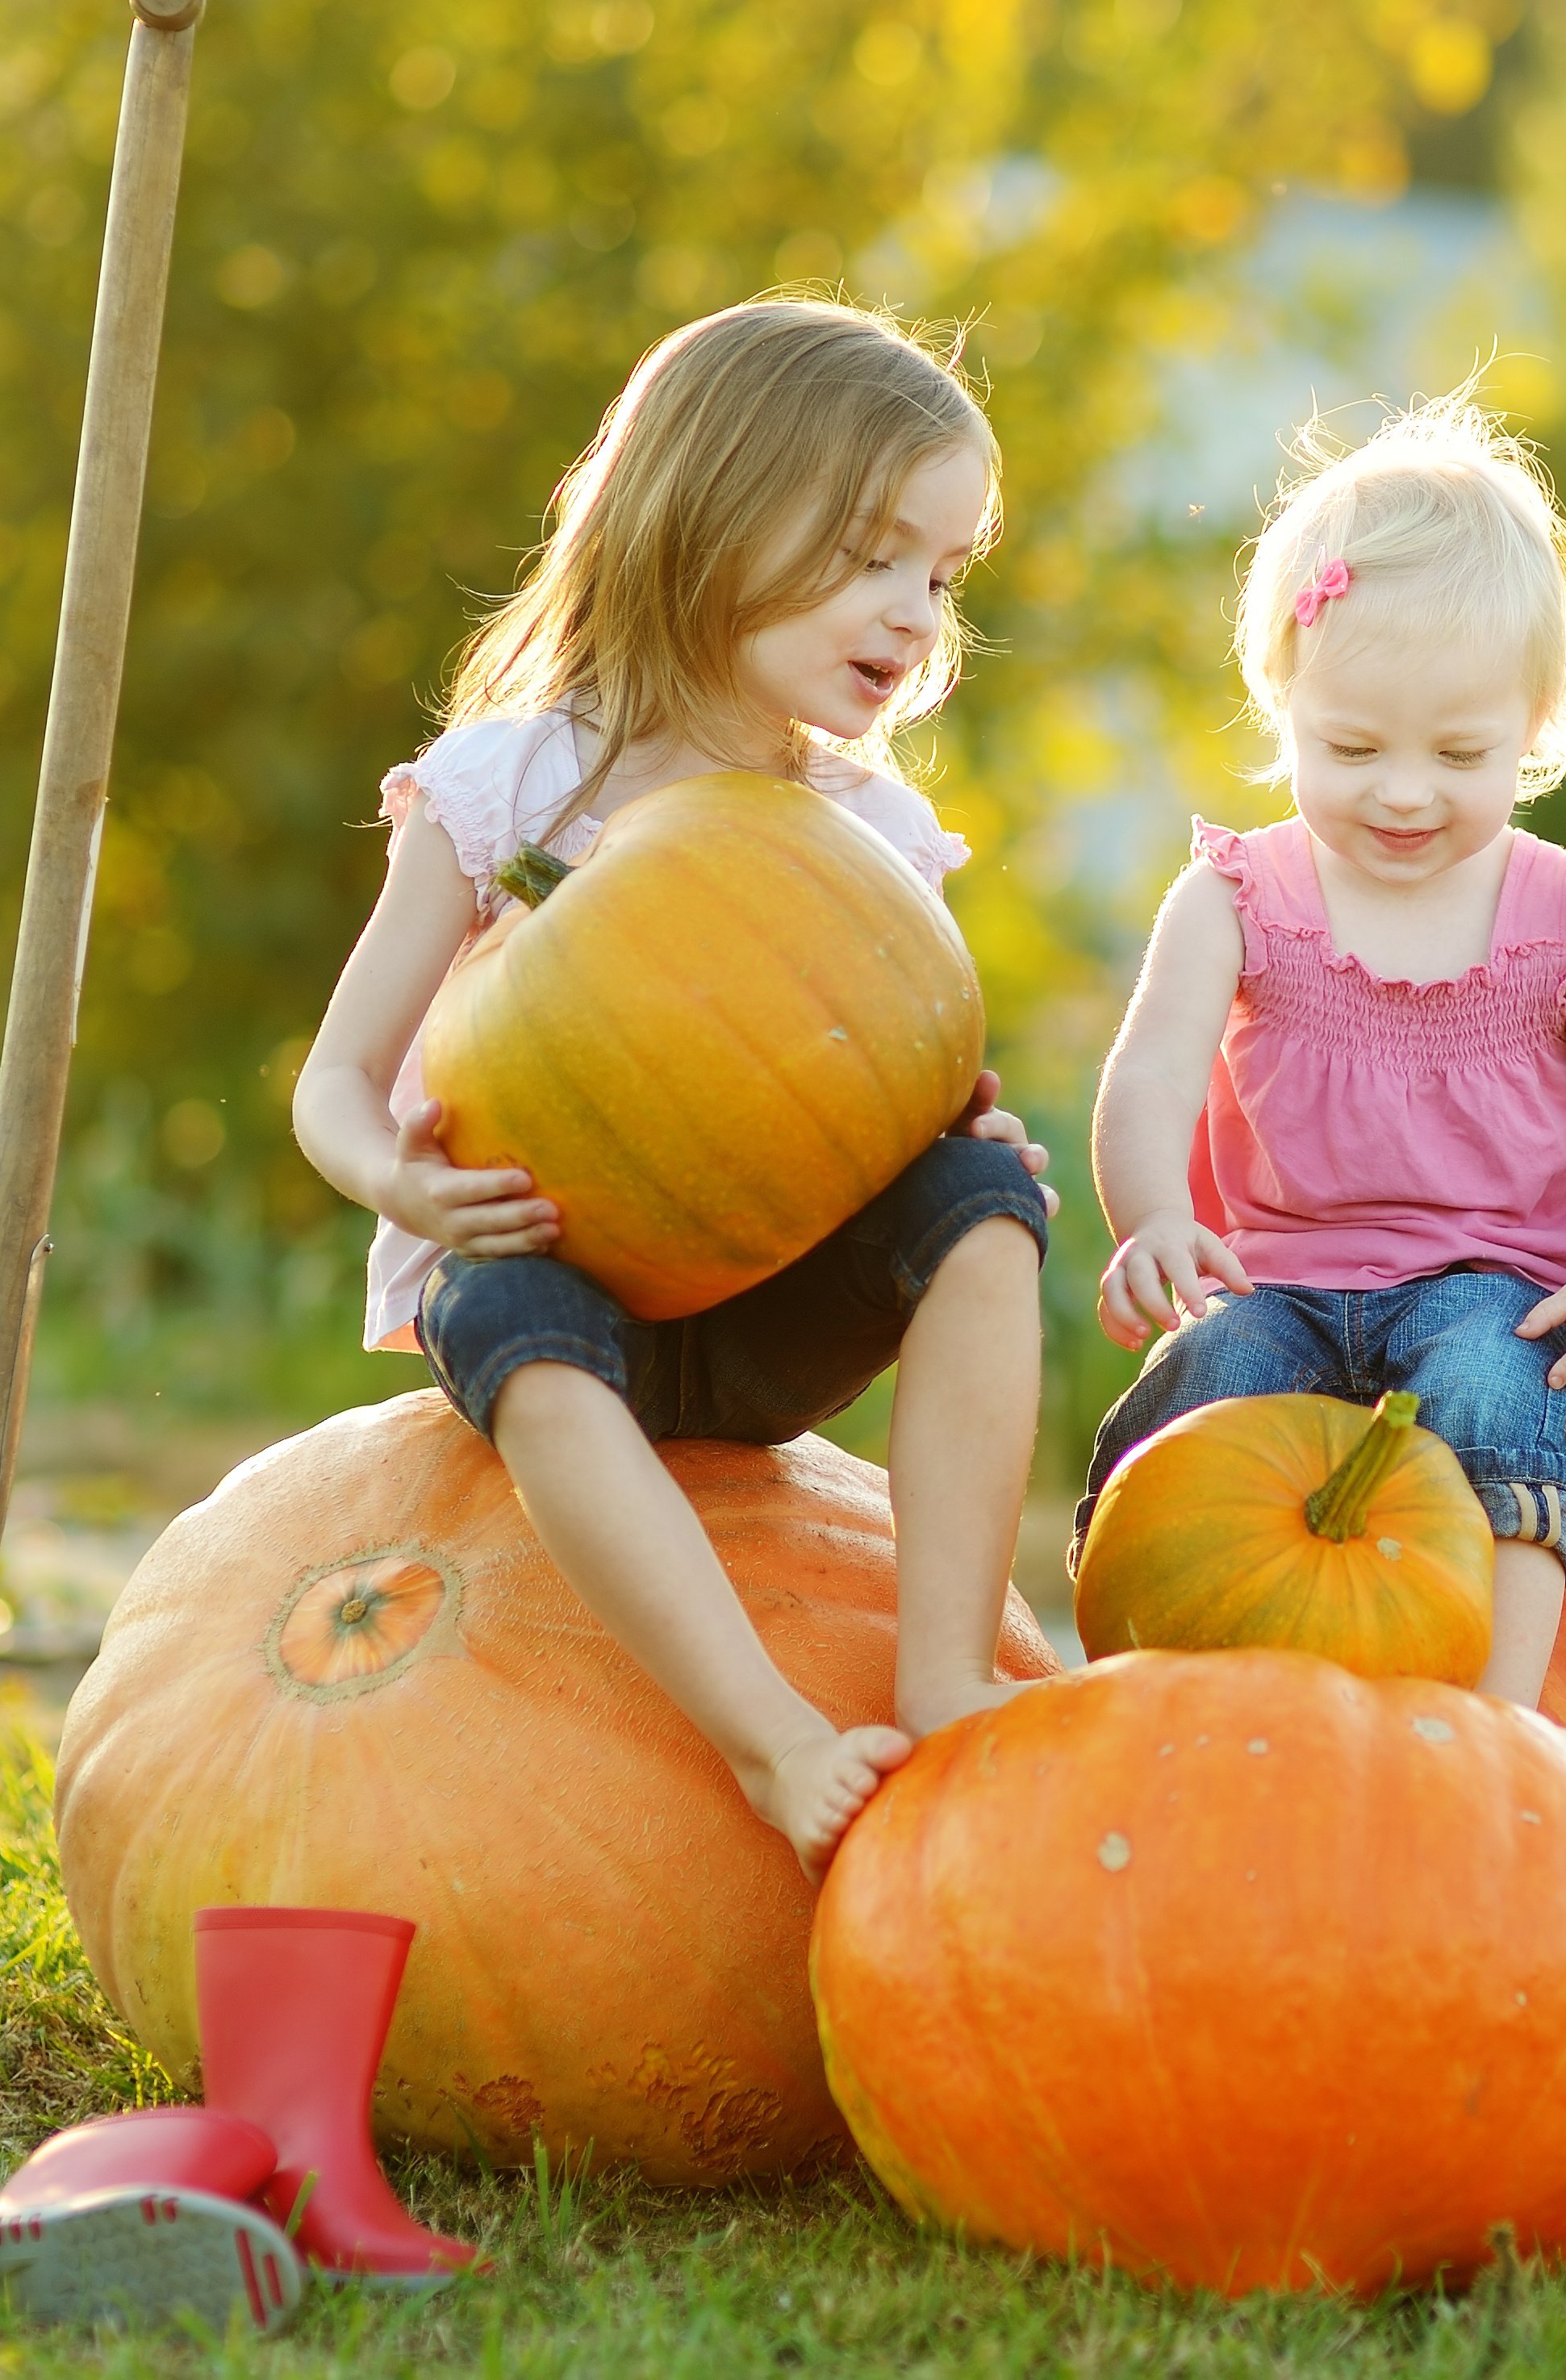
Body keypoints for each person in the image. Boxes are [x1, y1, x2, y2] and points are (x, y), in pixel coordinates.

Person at [293, 298, 1049, 1871]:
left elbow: (867, 1077)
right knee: (497, 1300)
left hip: (767, 1297)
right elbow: (336, 1082)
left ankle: (945, 1656)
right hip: (572, 1306)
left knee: (989, 1204)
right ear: (708, 506)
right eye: (869, 552)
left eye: (941, 571)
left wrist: (945, 1128)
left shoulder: (863, 827)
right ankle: (769, 1737)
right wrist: (397, 1181)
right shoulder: (509, 785)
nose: (914, 611)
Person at [1079, 398, 1566, 1704]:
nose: (1406, 791)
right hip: (1273, 1275)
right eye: (1352, 748)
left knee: (1495, 1385)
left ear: (1532, 730)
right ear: (1286, 705)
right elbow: (1147, 1073)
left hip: (1488, 1279)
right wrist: (1148, 1219)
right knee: (1204, 1381)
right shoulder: (1237, 898)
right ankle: (1145, 1677)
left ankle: (1493, 1723)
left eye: (1460, 752)